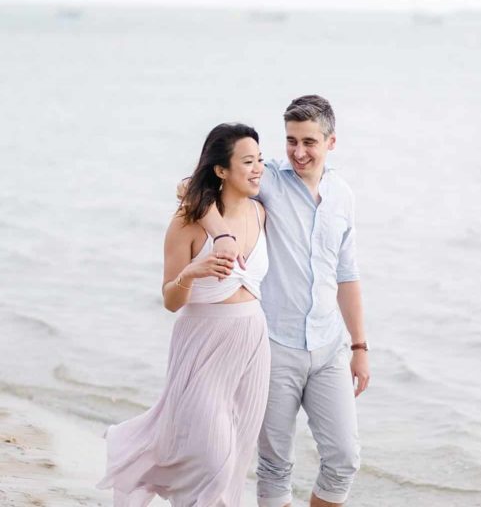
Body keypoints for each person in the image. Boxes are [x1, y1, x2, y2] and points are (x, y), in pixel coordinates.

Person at [197, 95, 370, 507]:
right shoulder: (268, 179)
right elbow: (192, 187)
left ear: (331, 142)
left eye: (309, 141)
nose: (298, 151)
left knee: (344, 458)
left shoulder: (342, 195)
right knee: (276, 466)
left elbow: (347, 275)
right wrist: (221, 234)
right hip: (273, 347)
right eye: (291, 140)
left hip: (329, 347)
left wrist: (360, 346)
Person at [97, 123, 271, 507]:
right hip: (203, 347)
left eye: (260, 159)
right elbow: (170, 300)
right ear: (221, 170)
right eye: (248, 161)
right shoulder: (186, 223)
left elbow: (188, 183)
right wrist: (190, 273)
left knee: (236, 461)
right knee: (212, 461)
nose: (258, 168)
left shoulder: (261, 213)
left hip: (253, 348)